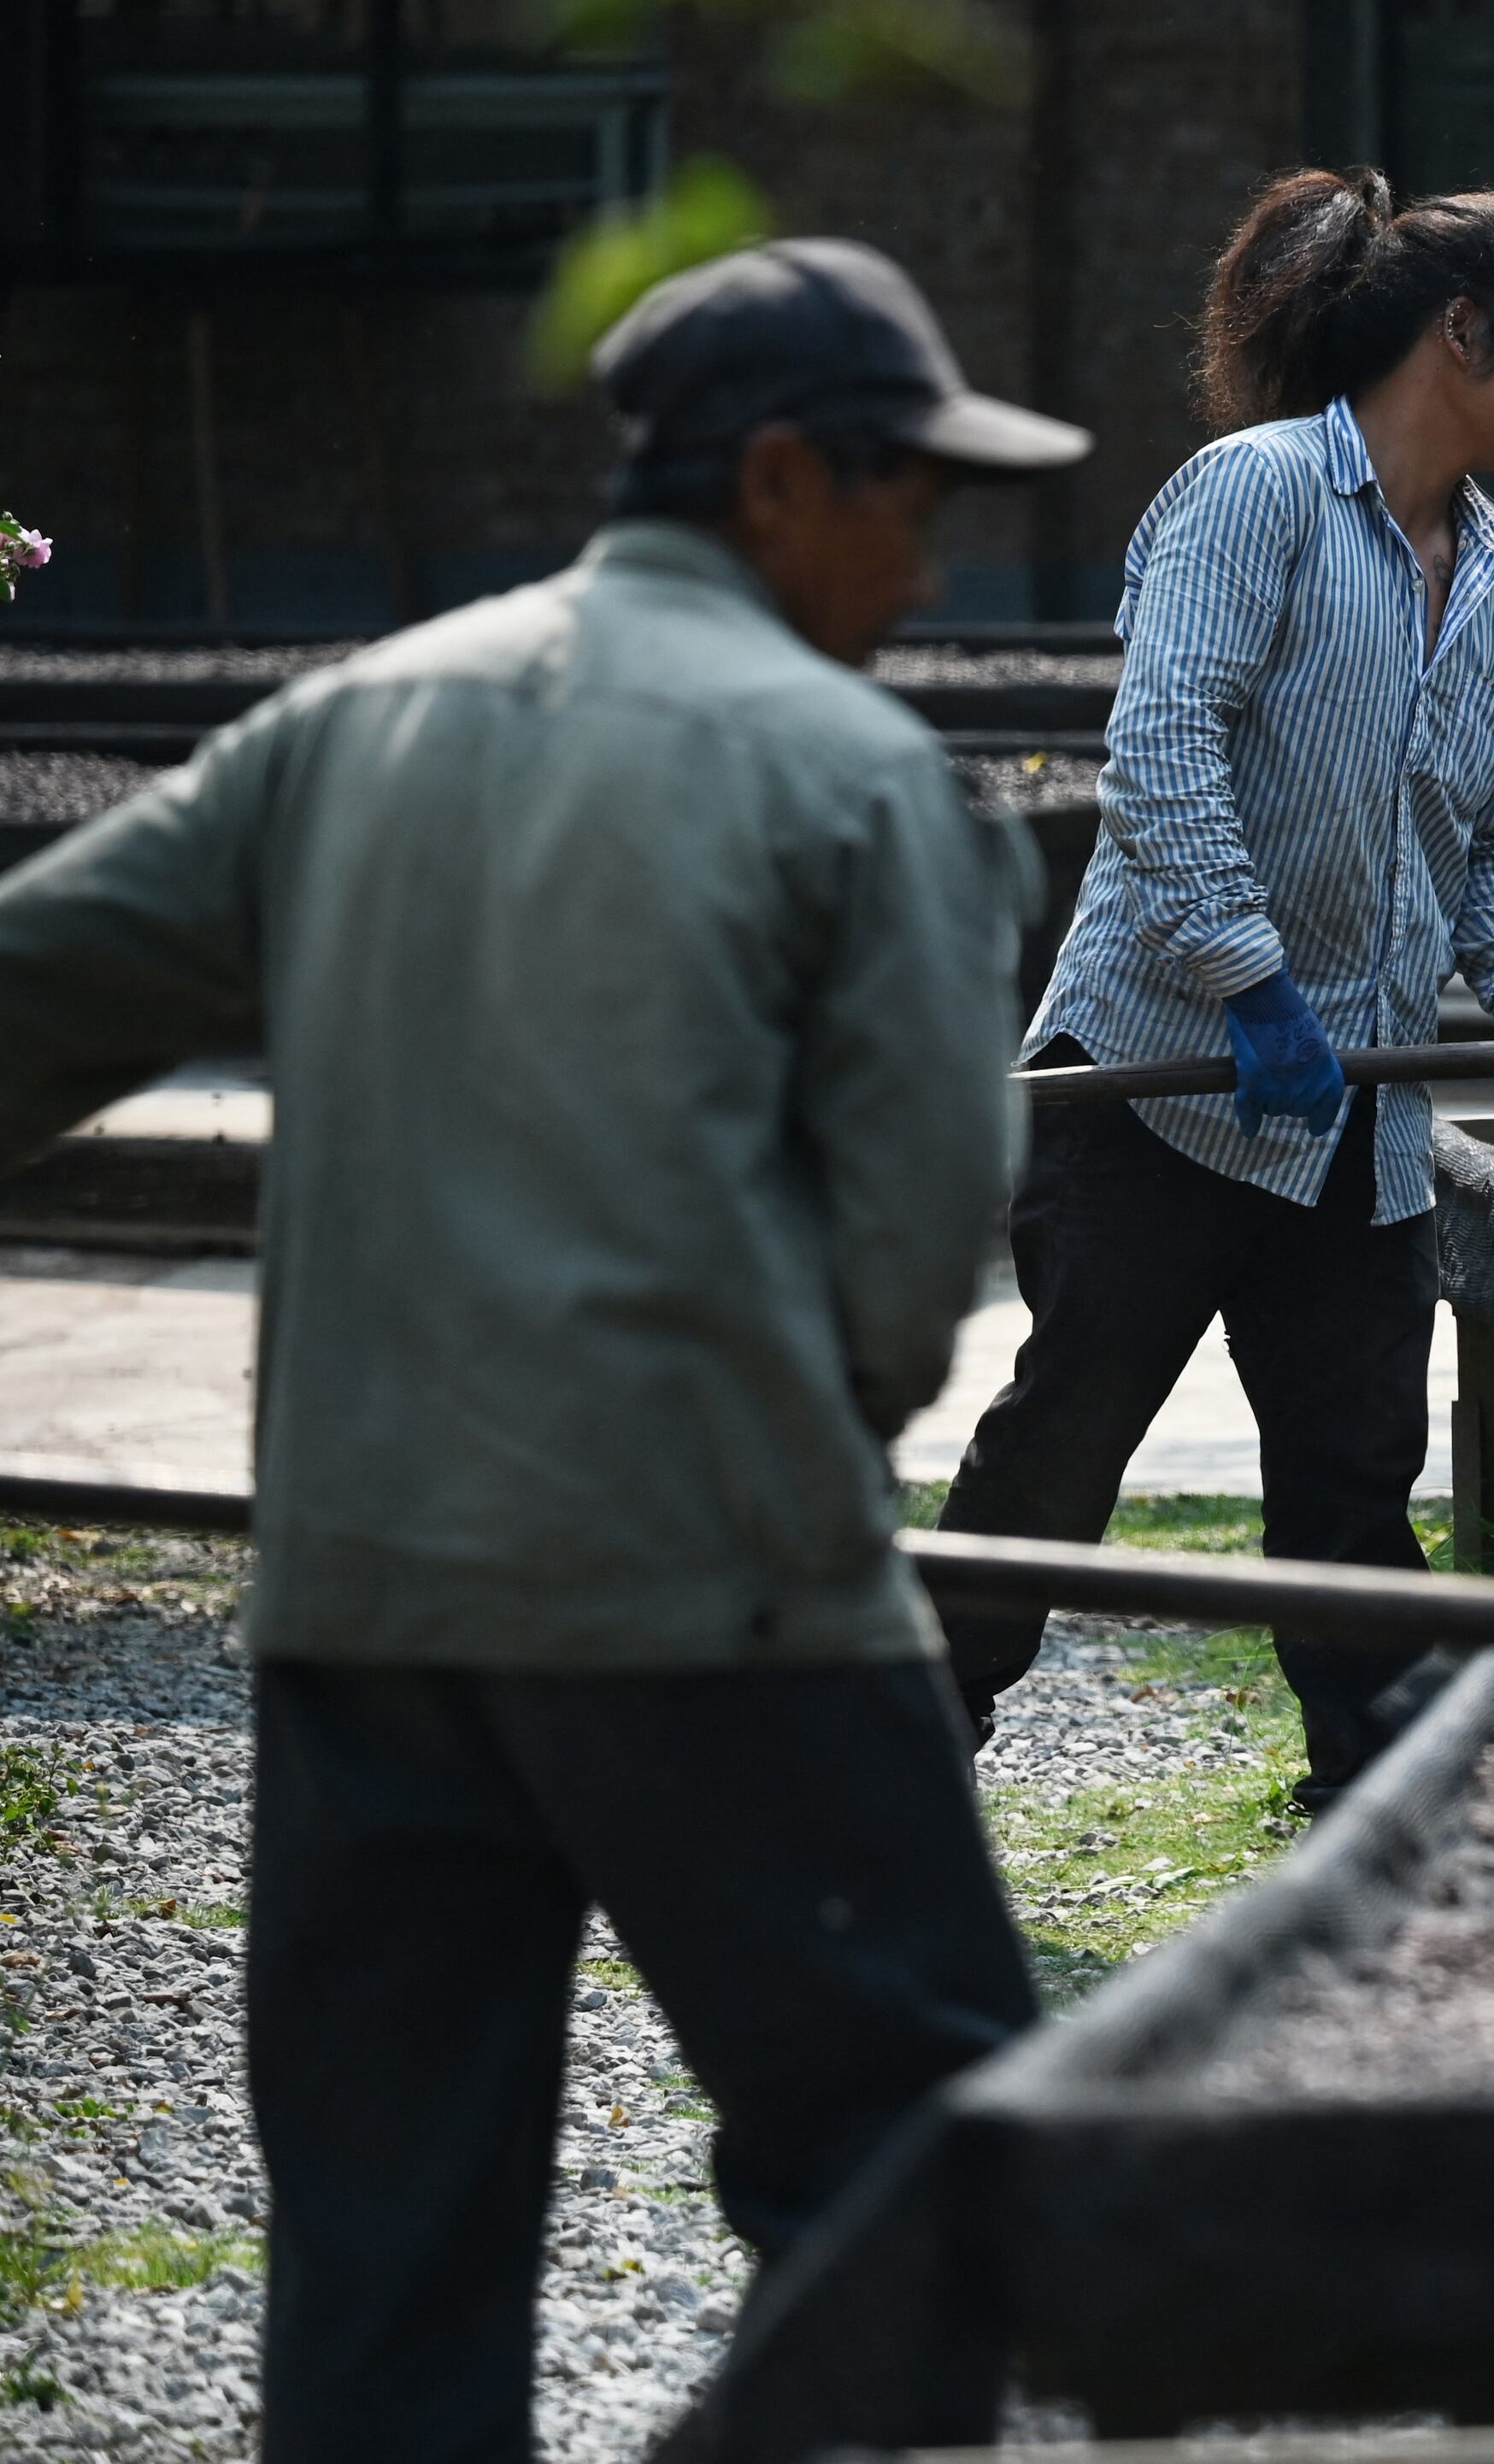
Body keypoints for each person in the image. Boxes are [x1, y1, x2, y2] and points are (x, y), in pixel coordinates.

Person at [0, 238, 1089, 2462]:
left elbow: (30, 997)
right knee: (920, 2166)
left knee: (386, 2241)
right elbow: (912, 1252)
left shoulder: (351, 722)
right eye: (908, 498)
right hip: (715, 1586)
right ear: (776, 478)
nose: (930, 561)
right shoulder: (855, 775)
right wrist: (804, 1435)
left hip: (366, 1588)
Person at [934, 170, 1494, 1808]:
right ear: (1458, 331)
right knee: (1064, 1446)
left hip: (1357, 1129)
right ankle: (898, 1755)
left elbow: (1492, 844)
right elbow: (1161, 750)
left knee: (1352, 1476)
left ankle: (1373, 1804)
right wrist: (1253, 986)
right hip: (1162, 1091)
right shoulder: (1256, 494)